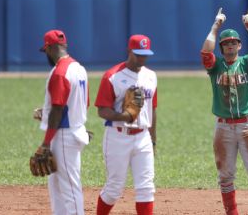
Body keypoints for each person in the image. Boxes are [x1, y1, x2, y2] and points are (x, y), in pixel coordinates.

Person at [200, 8, 248, 215]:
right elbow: (205, 53)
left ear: (239, 45)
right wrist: (216, 26)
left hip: (247, 125)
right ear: (221, 48)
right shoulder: (215, 66)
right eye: (226, 43)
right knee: (225, 175)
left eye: (233, 42)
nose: (230, 45)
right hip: (223, 127)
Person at [94, 34, 157, 215]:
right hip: (117, 136)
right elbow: (102, 111)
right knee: (114, 188)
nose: (142, 58)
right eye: (138, 54)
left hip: (143, 136)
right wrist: (124, 116)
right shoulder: (112, 77)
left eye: (145, 54)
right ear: (129, 51)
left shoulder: (151, 76)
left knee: (146, 187)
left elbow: (153, 110)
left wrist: (152, 140)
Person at [34, 29, 90, 214]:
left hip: (63, 136)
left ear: (50, 48)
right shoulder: (79, 68)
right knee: (57, 187)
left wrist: (45, 144)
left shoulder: (59, 72)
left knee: (69, 189)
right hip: (73, 130)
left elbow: (58, 110)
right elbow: (82, 103)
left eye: (46, 51)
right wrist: (46, 113)